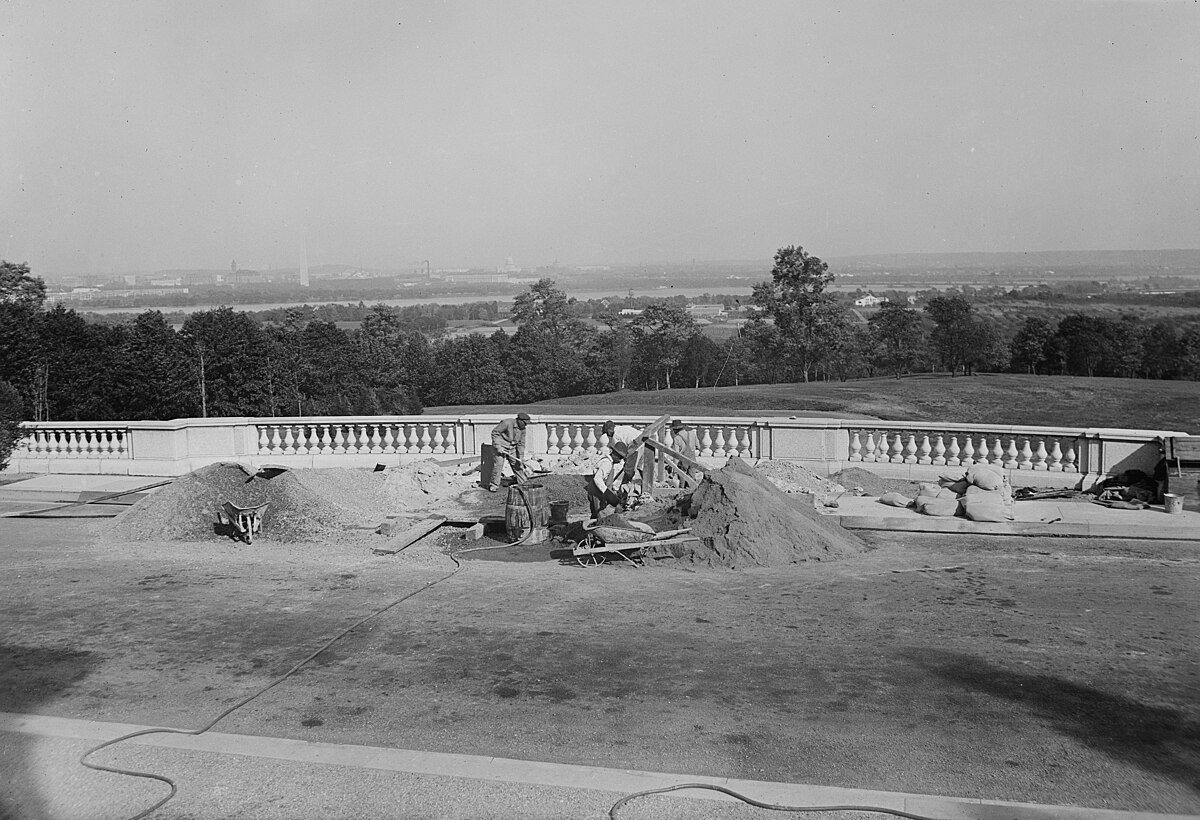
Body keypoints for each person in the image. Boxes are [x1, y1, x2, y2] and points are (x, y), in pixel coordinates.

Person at [487, 412, 530, 492]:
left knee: (517, 464)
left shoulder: (523, 429)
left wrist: (521, 457)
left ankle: (523, 482)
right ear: (520, 420)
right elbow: (495, 433)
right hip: (501, 446)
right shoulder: (506, 423)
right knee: (498, 465)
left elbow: (521, 443)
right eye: (525, 423)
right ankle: (494, 485)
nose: (526, 425)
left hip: (512, 447)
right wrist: (498, 446)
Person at [588, 441, 629, 518]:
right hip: (596, 492)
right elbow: (597, 479)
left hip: (598, 492)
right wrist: (608, 495)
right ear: (614, 454)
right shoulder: (607, 463)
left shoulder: (609, 462)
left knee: (597, 514)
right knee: (599, 514)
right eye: (620, 457)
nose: (620, 460)